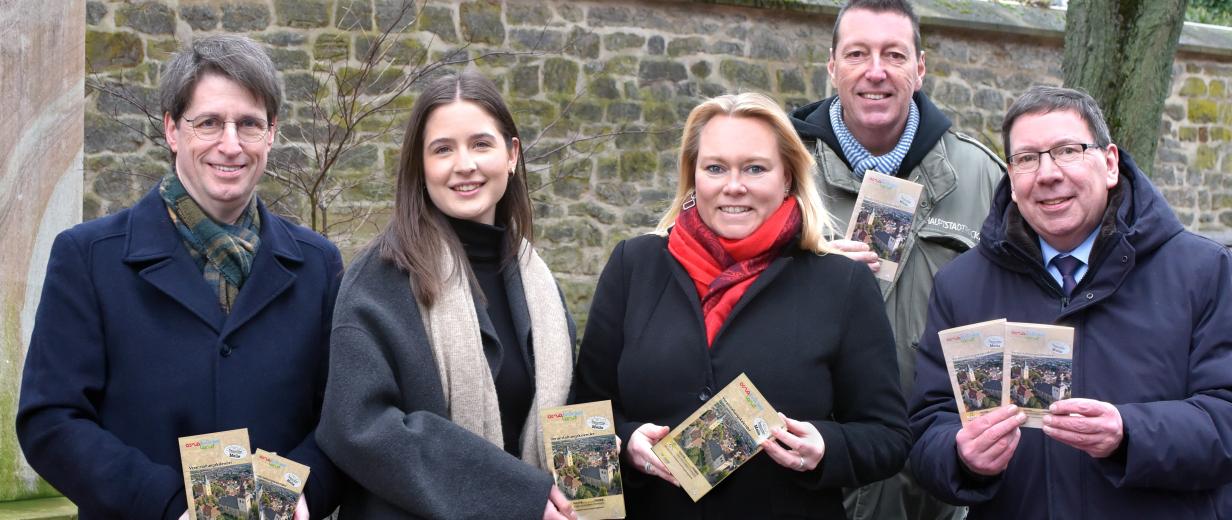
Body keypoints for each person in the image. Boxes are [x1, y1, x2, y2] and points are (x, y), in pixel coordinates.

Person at [16, 35, 340, 519]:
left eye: (249, 124)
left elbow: (343, 418)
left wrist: (294, 498)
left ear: (271, 133)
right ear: (172, 130)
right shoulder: (87, 258)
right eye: (208, 122)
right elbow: (51, 421)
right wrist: (172, 507)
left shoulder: (318, 265)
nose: (230, 145)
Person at [572, 92, 910, 519]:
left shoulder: (842, 283)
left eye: (754, 168)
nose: (734, 186)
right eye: (715, 168)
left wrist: (824, 447)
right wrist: (629, 442)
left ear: (787, 176)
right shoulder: (633, 265)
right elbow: (582, 415)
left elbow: (889, 437)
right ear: (693, 176)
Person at [910, 85, 1232, 518]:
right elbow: (929, 426)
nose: (1047, 174)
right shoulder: (961, 286)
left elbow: (1225, 418)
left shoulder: (1202, 271)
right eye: (1026, 159)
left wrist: (1129, 433)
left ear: (1110, 163)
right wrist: (962, 457)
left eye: (1067, 151)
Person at [315, 70, 579, 519]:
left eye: (481, 144)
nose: (464, 164)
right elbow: (360, 429)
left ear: (512, 154)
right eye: (442, 149)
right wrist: (515, 496)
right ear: (420, 166)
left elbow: (564, 413)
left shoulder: (540, 283)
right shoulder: (379, 279)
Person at [787, 1, 1005, 518]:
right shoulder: (774, 168)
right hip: (803, 468)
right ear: (832, 66)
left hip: (934, 482)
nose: (876, 72)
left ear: (920, 67)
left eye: (894, 55)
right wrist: (796, 268)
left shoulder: (984, 177)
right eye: (858, 54)